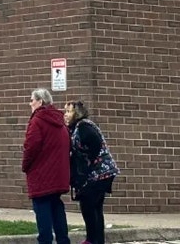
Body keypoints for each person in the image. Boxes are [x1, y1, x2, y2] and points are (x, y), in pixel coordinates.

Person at [65, 101, 119, 244]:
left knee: (88, 205)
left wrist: (86, 165)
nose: (65, 115)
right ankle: (96, 240)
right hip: (99, 173)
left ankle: (92, 239)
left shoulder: (84, 127)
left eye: (69, 112)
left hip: (100, 173)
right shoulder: (76, 128)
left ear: (77, 114)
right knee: (95, 207)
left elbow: (94, 146)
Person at [22, 88, 71, 244]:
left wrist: (26, 166)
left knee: (42, 211)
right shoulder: (60, 121)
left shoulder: (38, 121)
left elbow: (31, 147)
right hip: (58, 175)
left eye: (32, 100)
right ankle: (63, 240)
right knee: (56, 207)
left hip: (41, 175)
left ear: (40, 102)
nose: (30, 103)